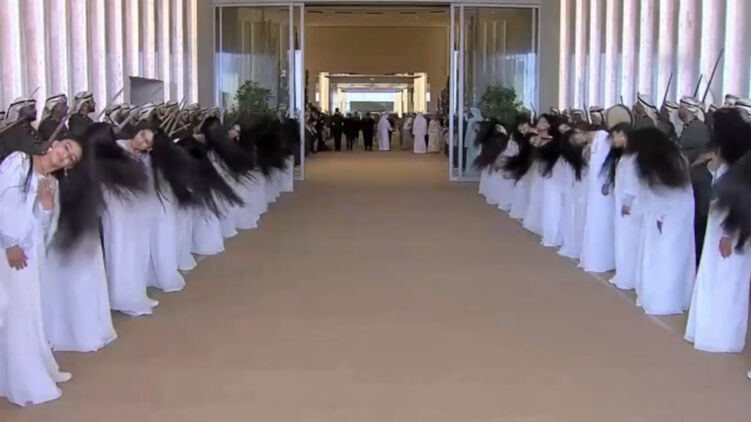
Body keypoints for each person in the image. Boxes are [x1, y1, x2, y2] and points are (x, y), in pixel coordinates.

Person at [0, 137, 82, 406]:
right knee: (16, 312)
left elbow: (44, 228)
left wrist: (47, 205)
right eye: (66, 148)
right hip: (9, 251)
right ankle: (25, 380)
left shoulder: (52, 184)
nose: (65, 156)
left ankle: (30, 368)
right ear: (54, 144)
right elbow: (4, 202)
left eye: (71, 158)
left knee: (30, 311)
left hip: (32, 254)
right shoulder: (19, 162)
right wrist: (10, 243)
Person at [685, 107, 751, 353]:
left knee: (728, 281)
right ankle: (708, 328)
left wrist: (728, 234)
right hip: (719, 226)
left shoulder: (740, 162)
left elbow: (741, 202)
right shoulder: (727, 155)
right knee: (715, 277)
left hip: (732, 230)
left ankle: (722, 336)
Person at [630, 127, 695, 315]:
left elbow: (662, 192)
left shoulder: (663, 162)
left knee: (666, 255)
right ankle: (670, 296)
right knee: (671, 255)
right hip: (671, 214)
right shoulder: (675, 158)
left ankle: (664, 299)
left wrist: (658, 215)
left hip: (668, 214)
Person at [606, 123, 641, 290]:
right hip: (622, 201)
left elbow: (632, 182)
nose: (613, 140)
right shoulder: (625, 155)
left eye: (614, 136)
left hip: (629, 205)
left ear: (622, 135)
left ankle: (628, 276)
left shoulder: (633, 157)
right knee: (623, 238)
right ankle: (624, 273)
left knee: (628, 240)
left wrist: (627, 203)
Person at [579, 122, 615, 272]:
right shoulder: (591, 144)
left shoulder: (604, 139)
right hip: (594, 189)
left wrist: (607, 183)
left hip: (603, 190)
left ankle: (602, 260)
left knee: (602, 222)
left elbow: (609, 163)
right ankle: (592, 257)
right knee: (593, 220)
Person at [677, 96, 710, 163]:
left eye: (680, 107)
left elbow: (682, 148)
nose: (678, 110)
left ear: (684, 109)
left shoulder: (697, 128)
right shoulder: (691, 125)